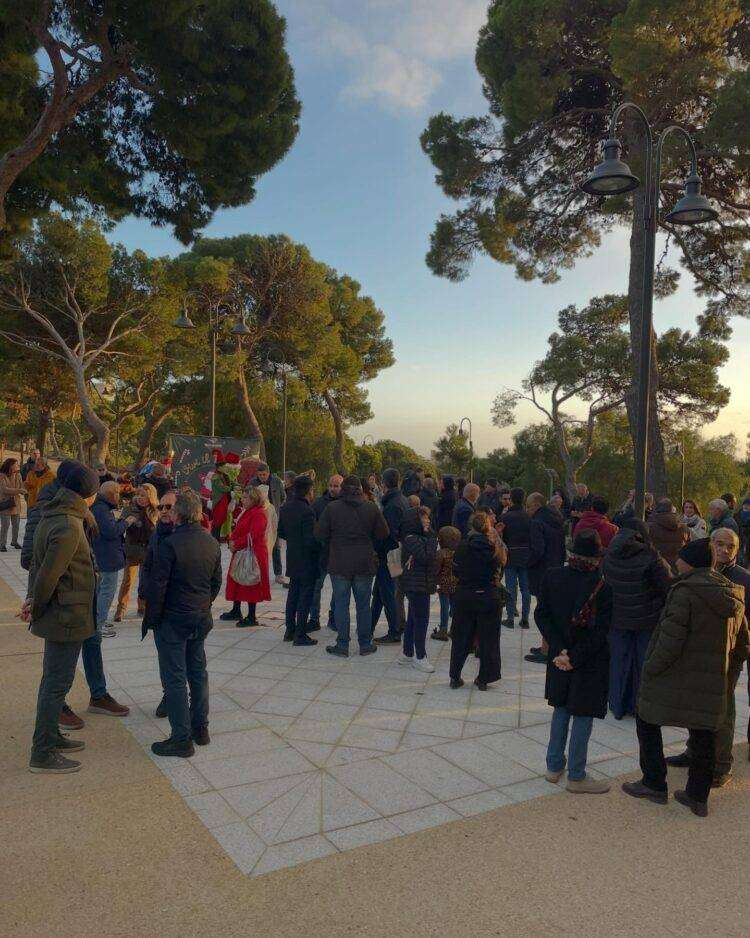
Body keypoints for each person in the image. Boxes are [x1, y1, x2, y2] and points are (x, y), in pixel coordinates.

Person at [623, 537, 749, 817]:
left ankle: (654, 783)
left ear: (689, 563)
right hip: (713, 679)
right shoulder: (733, 593)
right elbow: (743, 643)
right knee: (704, 730)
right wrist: (729, 670)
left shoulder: (685, 592)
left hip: (679, 675)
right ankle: (697, 797)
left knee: (646, 718)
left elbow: (670, 640)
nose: (675, 561)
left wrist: (650, 668)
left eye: (680, 557)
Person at [26, 464, 100, 774]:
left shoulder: (54, 515)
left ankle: (51, 737)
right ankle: (42, 752)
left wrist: (33, 600)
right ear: (89, 494)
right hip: (65, 616)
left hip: (64, 613)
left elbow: (36, 566)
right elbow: (47, 574)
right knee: (57, 684)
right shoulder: (69, 525)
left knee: (53, 681)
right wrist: (36, 605)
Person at [667, 528, 750, 786]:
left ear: (737, 549)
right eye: (719, 544)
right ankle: (694, 752)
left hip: (727, 655)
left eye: (730, 546)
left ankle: (721, 764)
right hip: (699, 654)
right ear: (710, 545)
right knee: (697, 706)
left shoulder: (743, 579)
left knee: (723, 711)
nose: (724, 550)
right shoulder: (699, 571)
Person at [144, 491, 222, 757]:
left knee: (175, 677)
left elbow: (159, 587)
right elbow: (215, 582)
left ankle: (181, 738)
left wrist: (154, 618)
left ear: (178, 514)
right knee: (198, 672)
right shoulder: (211, 541)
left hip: (175, 619)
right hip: (199, 616)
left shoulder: (171, 544)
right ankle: (200, 728)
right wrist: (203, 604)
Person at [537, 529, 613, 794]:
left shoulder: (553, 576)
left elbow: (541, 615)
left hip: (559, 657)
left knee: (560, 707)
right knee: (582, 713)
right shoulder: (603, 586)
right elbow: (602, 630)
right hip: (589, 660)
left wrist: (560, 651)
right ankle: (577, 775)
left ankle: (553, 766)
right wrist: (576, 657)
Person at [602, 519, 671, 719]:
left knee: (618, 661)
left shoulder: (610, 554)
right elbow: (667, 586)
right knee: (643, 662)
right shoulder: (651, 557)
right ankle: (639, 705)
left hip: (617, 618)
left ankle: (617, 704)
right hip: (647, 620)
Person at [315, 474, 388, 658]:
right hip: (364, 563)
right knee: (363, 605)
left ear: (342, 489)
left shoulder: (332, 508)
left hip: (339, 563)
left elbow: (319, 534)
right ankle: (365, 644)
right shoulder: (371, 508)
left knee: (341, 604)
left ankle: (342, 645)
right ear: (361, 491)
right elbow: (383, 533)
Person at [449, 510, 505, 691]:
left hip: (465, 594)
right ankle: (484, 678)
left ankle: (455, 676)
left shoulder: (462, 547)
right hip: (489, 594)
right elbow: (501, 567)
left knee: (461, 637)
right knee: (489, 639)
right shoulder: (494, 547)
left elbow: (455, 570)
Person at [140, 489, 177, 719]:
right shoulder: (157, 533)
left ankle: (184, 699)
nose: (163, 512)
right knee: (165, 657)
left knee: (186, 660)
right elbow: (148, 563)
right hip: (158, 608)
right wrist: (144, 590)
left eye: (169, 507)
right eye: (161, 507)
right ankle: (169, 695)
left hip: (180, 608)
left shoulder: (187, 536)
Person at [278, 475, 319, 646]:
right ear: (309, 491)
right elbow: (310, 540)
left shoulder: (286, 507)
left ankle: (289, 629)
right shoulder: (308, 511)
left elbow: (281, 532)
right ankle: (300, 634)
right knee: (305, 596)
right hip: (307, 559)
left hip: (293, 556)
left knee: (293, 594)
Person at [91, 480, 135, 636]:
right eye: (117, 493)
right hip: (107, 556)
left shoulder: (99, 507)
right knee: (106, 591)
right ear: (111, 494)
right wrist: (125, 523)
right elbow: (111, 531)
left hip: (104, 555)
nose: (119, 496)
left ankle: (97, 620)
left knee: (100, 590)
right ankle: (98, 624)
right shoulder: (102, 509)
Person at [398, 506, 439, 672]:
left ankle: (408, 653)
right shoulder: (412, 538)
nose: (427, 520)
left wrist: (429, 535)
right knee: (422, 619)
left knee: (414, 619)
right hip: (416, 585)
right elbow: (426, 557)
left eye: (428, 517)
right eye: (424, 518)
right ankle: (420, 656)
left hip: (419, 583)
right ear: (415, 520)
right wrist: (431, 538)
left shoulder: (419, 537)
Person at [223, 487, 271, 627]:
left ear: (254, 499)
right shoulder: (248, 511)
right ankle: (236, 609)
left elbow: (253, 535)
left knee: (251, 583)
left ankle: (251, 616)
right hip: (242, 551)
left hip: (252, 554)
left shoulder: (259, 513)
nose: (242, 500)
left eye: (245, 498)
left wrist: (236, 543)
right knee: (236, 579)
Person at [372, 468, 409, 644]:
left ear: (384, 484)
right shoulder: (401, 500)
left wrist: (377, 551)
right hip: (395, 553)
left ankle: (394, 631)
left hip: (389, 555)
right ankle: (369, 626)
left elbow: (388, 534)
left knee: (387, 593)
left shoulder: (392, 505)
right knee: (380, 592)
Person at [115, 483, 158, 621]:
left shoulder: (155, 511)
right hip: (132, 550)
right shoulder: (129, 509)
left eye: (143, 495)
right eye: (138, 495)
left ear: (150, 497)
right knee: (127, 581)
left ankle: (143, 606)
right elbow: (119, 528)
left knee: (145, 581)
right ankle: (120, 609)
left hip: (148, 551)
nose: (139, 498)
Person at [310, 474, 343, 630]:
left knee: (338, 589)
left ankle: (333, 618)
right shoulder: (318, 504)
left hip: (338, 554)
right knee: (316, 587)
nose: (332, 488)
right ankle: (314, 619)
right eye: (331, 485)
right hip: (321, 554)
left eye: (336, 486)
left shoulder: (345, 505)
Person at [500, 487, 531, 629]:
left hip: (510, 555)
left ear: (511, 499)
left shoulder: (505, 517)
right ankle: (525, 619)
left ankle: (510, 617)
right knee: (526, 589)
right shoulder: (529, 517)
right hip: (526, 556)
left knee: (510, 588)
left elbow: (502, 538)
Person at [527, 492, 567, 598]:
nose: (527, 510)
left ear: (537, 505)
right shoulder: (558, 519)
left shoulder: (536, 522)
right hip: (556, 567)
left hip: (540, 570)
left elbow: (538, 549)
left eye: (528, 506)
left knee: (542, 605)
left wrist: (528, 562)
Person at [251, 462, 285, 583]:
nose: (262, 477)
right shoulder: (253, 483)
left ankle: (278, 574)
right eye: (260, 475)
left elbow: (282, 497)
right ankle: (257, 572)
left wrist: (274, 509)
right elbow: (249, 498)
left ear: (268, 473)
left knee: (275, 546)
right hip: (258, 517)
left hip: (273, 517)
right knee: (258, 545)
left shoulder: (276, 481)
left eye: (264, 474)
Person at [433, 525, 460, 642]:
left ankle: (443, 629)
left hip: (444, 584)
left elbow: (436, 569)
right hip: (456, 583)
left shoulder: (440, 553)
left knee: (444, 606)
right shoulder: (457, 552)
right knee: (454, 606)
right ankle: (455, 629)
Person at [648, 498, 688, 572]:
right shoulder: (683, 527)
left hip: (658, 565)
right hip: (677, 564)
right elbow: (687, 545)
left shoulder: (651, 527)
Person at [0, 457, 26, 551]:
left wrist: (23, 489)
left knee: (16, 524)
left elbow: (21, 486)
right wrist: (19, 490)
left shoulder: (18, 475)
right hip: (5, 503)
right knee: (5, 525)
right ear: (11, 466)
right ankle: (2, 544)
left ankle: (14, 541)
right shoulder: (2, 476)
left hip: (15, 503)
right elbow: (4, 489)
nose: (18, 466)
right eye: (16, 464)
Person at [735, 496, 750, 565]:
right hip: (738, 537)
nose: (746, 506)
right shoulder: (737, 515)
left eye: (748, 505)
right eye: (745, 505)